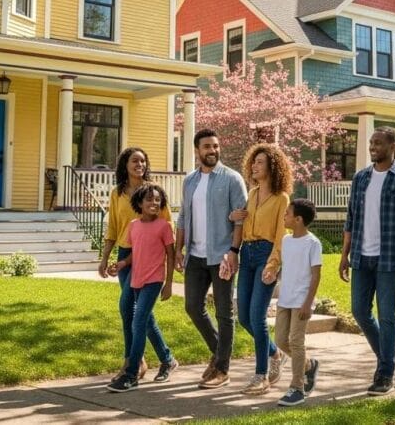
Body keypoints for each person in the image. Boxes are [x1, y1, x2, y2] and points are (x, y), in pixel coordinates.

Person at [339, 126, 395, 396]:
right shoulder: (361, 178)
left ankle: (386, 373)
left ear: (393, 147)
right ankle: (385, 357)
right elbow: (351, 218)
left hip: (389, 259)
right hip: (361, 257)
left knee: (387, 316)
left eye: (378, 143)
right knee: (359, 311)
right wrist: (344, 255)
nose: (373, 147)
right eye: (371, 143)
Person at [175, 128, 247, 389]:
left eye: (215, 146)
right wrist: (178, 249)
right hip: (195, 256)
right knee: (193, 307)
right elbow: (183, 216)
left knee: (224, 312)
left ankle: (222, 369)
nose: (212, 150)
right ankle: (219, 354)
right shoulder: (190, 181)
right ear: (197, 150)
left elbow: (241, 219)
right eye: (207, 146)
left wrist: (234, 251)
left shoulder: (232, 179)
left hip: (222, 255)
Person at [99, 147, 174, 381]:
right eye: (135, 161)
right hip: (126, 254)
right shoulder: (117, 193)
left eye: (143, 161)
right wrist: (105, 257)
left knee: (128, 307)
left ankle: (131, 362)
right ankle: (159, 359)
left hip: (148, 255)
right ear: (125, 164)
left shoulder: (153, 192)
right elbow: (113, 227)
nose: (139, 164)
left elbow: (167, 224)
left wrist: (170, 260)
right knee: (141, 312)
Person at [232, 143, 292, 395]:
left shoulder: (281, 198)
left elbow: (280, 236)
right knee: (244, 317)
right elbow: (244, 224)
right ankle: (275, 353)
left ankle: (261, 375)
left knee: (257, 316)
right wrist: (234, 218)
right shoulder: (252, 193)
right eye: (253, 162)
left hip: (266, 255)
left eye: (260, 162)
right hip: (247, 253)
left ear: (272, 167)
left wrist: (273, 264)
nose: (254, 166)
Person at [262, 198, 322, 407]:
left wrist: (308, 303)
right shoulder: (286, 241)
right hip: (285, 300)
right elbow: (288, 268)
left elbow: (316, 276)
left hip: (301, 301)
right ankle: (308, 365)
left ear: (298, 219)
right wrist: (274, 275)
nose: (284, 216)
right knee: (280, 340)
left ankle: (297, 388)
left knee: (296, 341)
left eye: (287, 213)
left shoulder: (313, 243)